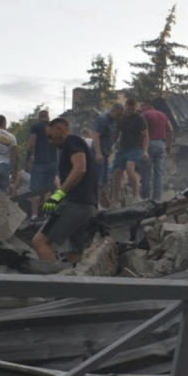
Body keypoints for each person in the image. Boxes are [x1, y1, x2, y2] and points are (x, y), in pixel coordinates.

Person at [30, 116, 98, 270]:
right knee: (75, 254)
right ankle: (73, 286)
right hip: (85, 206)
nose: (50, 142)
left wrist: (57, 196)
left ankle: (56, 287)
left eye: (50, 136)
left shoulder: (72, 141)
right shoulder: (72, 146)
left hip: (76, 205)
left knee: (39, 242)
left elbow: (80, 169)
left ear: (60, 129)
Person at [111, 99, 149, 206]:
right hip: (123, 148)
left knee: (130, 166)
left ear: (135, 108)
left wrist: (145, 151)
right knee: (117, 171)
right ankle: (115, 199)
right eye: (128, 109)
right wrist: (111, 146)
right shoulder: (121, 119)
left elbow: (146, 135)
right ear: (125, 107)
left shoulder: (140, 119)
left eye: (132, 109)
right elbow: (116, 133)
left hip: (136, 147)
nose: (130, 111)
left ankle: (136, 196)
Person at [139, 99, 174, 201]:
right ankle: (157, 199)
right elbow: (170, 130)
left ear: (147, 105)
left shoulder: (144, 115)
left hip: (148, 144)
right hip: (161, 144)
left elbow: (140, 131)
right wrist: (168, 145)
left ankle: (145, 197)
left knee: (146, 172)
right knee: (158, 173)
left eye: (142, 105)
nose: (140, 108)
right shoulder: (163, 115)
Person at [26, 109, 57, 219]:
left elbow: (31, 144)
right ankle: (48, 214)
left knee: (36, 190)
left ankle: (34, 216)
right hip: (53, 163)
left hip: (39, 162)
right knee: (49, 189)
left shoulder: (36, 127)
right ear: (48, 117)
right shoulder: (53, 128)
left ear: (39, 118)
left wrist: (27, 159)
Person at [92, 103, 123, 207]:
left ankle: (104, 204)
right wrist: (98, 152)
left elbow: (114, 135)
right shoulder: (102, 119)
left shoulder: (114, 121)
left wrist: (110, 148)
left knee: (104, 180)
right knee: (98, 180)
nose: (119, 117)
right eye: (118, 115)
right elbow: (96, 136)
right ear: (112, 111)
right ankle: (95, 204)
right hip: (98, 154)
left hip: (105, 153)